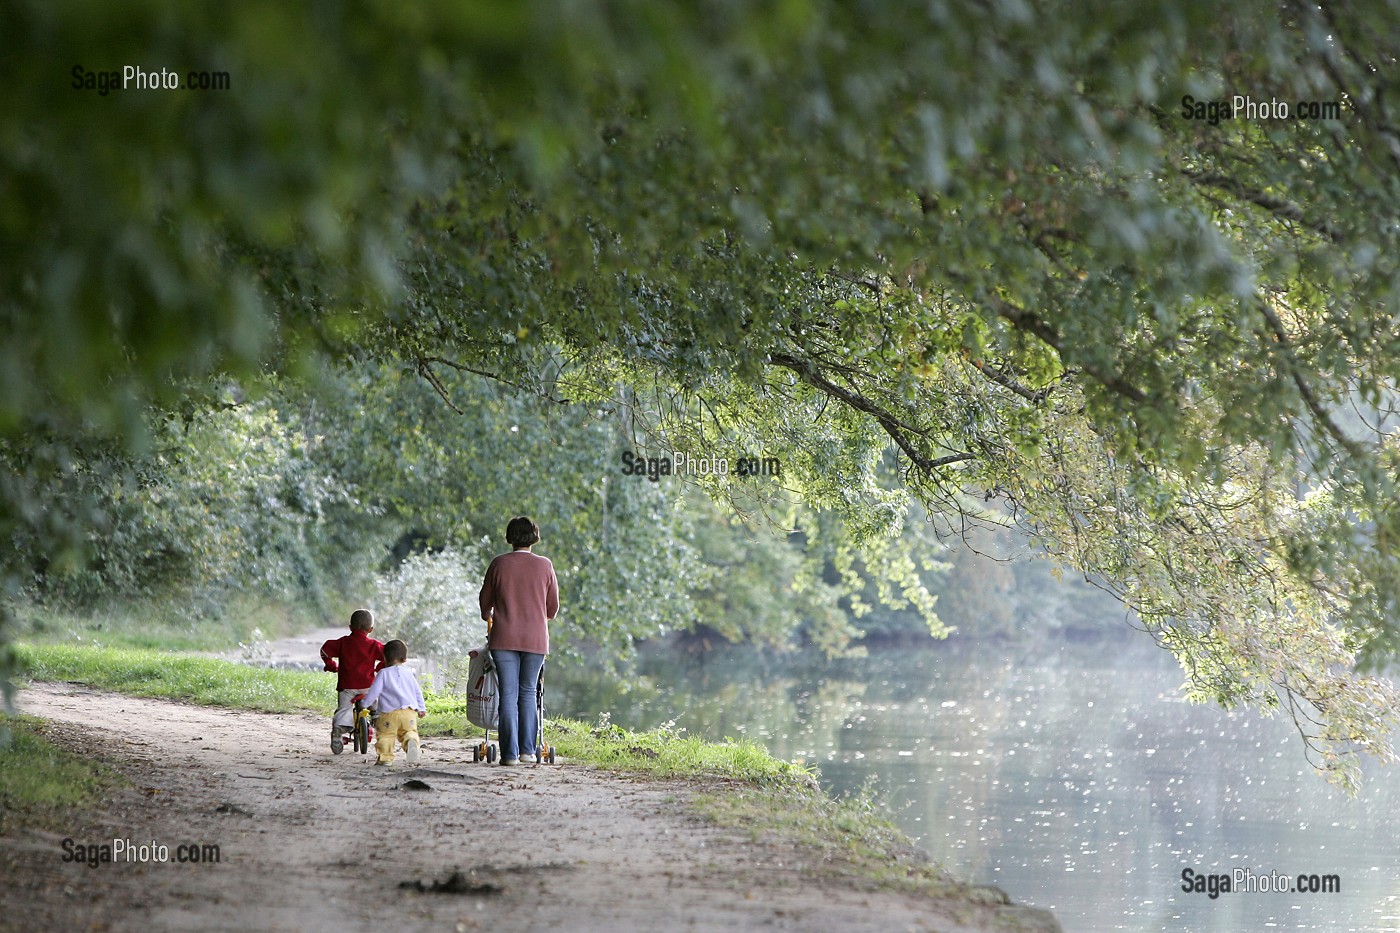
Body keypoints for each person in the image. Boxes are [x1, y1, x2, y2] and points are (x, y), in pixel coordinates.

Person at [478, 515, 559, 765]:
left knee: (508, 694)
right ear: (534, 537)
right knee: (528, 692)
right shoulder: (545, 566)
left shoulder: (499, 564)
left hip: (503, 638)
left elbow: (485, 602)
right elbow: (552, 609)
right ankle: (527, 751)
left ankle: (509, 755)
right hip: (535, 640)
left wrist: (488, 615)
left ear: (510, 537)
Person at [320, 609, 385, 754]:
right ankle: (376, 716)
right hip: (367, 687)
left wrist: (331, 665)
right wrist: (380, 667)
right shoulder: (374, 645)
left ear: (350, 627)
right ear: (371, 629)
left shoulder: (343, 643)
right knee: (375, 696)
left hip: (347, 686)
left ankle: (339, 730)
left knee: (344, 710)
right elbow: (388, 655)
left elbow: (325, 650)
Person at [360, 639, 427, 766]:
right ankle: (410, 741)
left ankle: (385, 759)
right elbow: (417, 691)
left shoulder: (383, 673)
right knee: (409, 731)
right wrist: (421, 708)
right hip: (409, 713)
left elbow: (374, 692)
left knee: (386, 736)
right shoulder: (408, 673)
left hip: (389, 714)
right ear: (405, 659)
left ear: (384, 657)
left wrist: (365, 703)